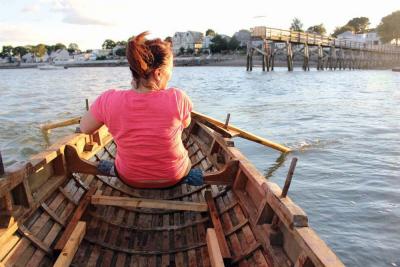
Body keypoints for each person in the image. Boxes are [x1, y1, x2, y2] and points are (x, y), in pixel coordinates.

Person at [66, 31, 237, 189]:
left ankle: (110, 169)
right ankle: (191, 177)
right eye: (170, 71)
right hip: (173, 177)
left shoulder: (108, 99)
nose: (170, 76)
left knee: (118, 164)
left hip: (128, 178)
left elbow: (85, 128)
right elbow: (186, 124)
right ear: (158, 74)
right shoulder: (178, 98)